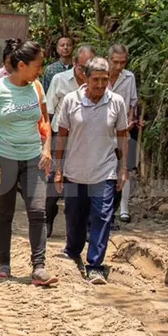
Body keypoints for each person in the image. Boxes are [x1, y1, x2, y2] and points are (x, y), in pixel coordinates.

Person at [0, 39, 57, 286]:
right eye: (37, 65)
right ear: (22, 65)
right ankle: (4, 265)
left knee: (38, 211)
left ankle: (39, 267)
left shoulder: (36, 87)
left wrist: (47, 149)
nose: (40, 70)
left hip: (33, 156)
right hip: (5, 156)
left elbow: (45, 120)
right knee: (5, 213)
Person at [53, 57, 129, 285]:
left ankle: (95, 264)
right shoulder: (70, 100)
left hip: (104, 171)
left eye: (104, 80)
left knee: (102, 217)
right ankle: (73, 250)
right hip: (75, 171)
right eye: (95, 79)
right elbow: (62, 136)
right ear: (85, 78)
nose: (100, 84)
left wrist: (123, 168)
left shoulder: (116, 102)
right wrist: (58, 168)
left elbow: (123, 136)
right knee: (74, 217)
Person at [44, 43, 96, 239]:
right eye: (82, 67)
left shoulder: (98, 83)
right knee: (54, 178)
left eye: (89, 67)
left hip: (87, 137)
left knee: (88, 179)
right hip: (61, 135)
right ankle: (48, 218)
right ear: (74, 64)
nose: (85, 72)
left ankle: (87, 225)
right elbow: (48, 112)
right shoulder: (59, 80)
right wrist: (46, 142)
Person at [107, 43, 138, 228]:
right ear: (109, 59)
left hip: (122, 130)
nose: (119, 66)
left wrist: (130, 121)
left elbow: (132, 103)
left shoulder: (129, 77)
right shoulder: (100, 75)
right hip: (102, 130)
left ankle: (122, 208)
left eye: (123, 62)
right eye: (116, 62)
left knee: (124, 167)